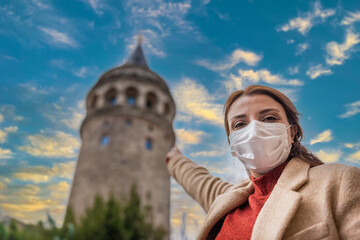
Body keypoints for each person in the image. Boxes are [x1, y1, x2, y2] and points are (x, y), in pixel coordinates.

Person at [165, 85, 360, 240]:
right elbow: (198, 181)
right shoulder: (227, 200)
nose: (254, 129)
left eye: (269, 118)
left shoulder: (338, 180)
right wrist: (173, 158)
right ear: (232, 143)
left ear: (292, 133)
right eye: (240, 124)